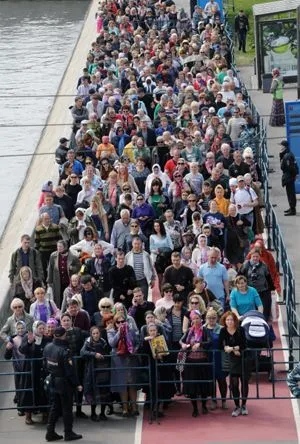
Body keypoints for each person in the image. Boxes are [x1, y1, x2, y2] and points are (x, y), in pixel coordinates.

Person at [43, 326, 83, 442]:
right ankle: (68, 433)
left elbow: (45, 364)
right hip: (64, 382)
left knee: (55, 407)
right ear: (64, 335)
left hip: (53, 380)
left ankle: (50, 432)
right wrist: (77, 384)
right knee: (67, 409)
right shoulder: (65, 350)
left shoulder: (48, 347)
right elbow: (69, 371)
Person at [107, 313, 140, 417]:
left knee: (132, 384)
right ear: (115, 323)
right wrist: (119, 332)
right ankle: (125, 409)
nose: (121, 323)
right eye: (118, 322)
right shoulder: (111, 331)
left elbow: (137, 342)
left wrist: (135, 349)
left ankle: (134, 407)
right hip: (118, 361)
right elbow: (112, 343)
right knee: (122, 384)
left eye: (123, 321)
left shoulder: (131, 331)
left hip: (130, 359)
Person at [19, 320, 51, 425]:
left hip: (43, 369)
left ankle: (45, 414)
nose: (41, 330)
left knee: (44, 390)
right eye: (39, 328)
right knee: (29, 390)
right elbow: (22, 350)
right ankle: (28, 415)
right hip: (31, 369)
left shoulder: (47, 339)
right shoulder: (28, 337)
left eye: (43, 328)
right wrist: (29, 342)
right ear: (35, 328)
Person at [179, 310, 210, 417]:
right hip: (191, 362)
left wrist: (200, 343)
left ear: (201, 319)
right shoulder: (189, 331)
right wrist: (183, 344)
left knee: (203, 386)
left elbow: (209, 342)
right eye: (194, 319)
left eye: (198, 318)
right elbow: (182, 340)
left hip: (203, 361)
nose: (196, 320)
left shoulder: (205, 330)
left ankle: (204, 405)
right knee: (192, 386)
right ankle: (195, 408)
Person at [219, 311, 250, 417]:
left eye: (231, 319)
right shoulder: (223, 331)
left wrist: (233, 348)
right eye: (227, 320)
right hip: (233, 360)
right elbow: (220, 345)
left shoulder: (240, 329)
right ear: (224, 321)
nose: (230, 322)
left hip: (243, 358)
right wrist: (228, 349)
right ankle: (237, 406)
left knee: (244, 382)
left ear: (235, 320)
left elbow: (244, 344)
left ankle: (244, 405)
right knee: (234, 383)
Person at [80, 326, 111, 421]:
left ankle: (102, 413)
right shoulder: (88, 342)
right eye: (94, 333)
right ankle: (93, 414)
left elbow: (108, 352)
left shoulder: (103, 342)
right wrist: (94, 354)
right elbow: (82, 352)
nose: (96, 335)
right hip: (92, 370)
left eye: (97, 333)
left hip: (104, 369)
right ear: (91, 334)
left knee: (104, 392)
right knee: (93, 391)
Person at [239, 248, 275, 321]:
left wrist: (272, 289)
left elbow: (268, 278)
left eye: (257, 256)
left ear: (259, 257)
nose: (255, 258)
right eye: (253, 256)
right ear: (251, 256)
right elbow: (239, 276)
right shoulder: (246, 264)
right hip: (249, 292)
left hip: (262, 291)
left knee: (263, 310)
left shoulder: (264, 265)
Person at [204, 309, 228, 410]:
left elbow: (226, 342)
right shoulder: (202, 329)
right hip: (207, 357)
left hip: (219, 357)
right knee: (211, 381)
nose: (211, 319)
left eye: (214, 317)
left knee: (222, 380)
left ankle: (224, 400)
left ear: (217, 318)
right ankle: (213, 400)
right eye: (209, 317)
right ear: (206, 318)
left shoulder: (222, 329)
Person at [47, 240, 81, 307]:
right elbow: (50, 268)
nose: (58, 248)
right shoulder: (53, 255)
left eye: (60, 246)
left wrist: (73, 268)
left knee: (68, 297)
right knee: (58, 297)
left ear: (65, 247)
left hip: (68, 281)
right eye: (58, 246)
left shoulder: (73, 256)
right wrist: (49, 281)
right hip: (57, 281)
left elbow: (79, 266)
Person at [4, 320, 27, 416]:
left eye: (22, 328)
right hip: (17, 367)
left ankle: (30, 408)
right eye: (18, 328)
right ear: (15, 329)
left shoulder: (29, 337)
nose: (20, 330)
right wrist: (8, 349)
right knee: (19, 387)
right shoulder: (12, 339)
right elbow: (7, 356)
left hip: (28, 366)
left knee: (28, 386)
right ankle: (20, 408)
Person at [34, 213, 61, 279]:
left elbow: (59, 239)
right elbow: (37, 241)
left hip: (53, 251)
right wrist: (37, 252)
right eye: (46, 219)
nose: (48, 220)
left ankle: (56, 279)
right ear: (42, 220)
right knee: (43, 267)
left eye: (49, 218)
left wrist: (59, 249)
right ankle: (45, 280)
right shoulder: (38, 229)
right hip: (43, 251)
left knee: (55, 266)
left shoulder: (55, 227)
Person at [279, 139, 298, 216]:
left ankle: (293, 210)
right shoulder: (286, 154)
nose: (280, 147)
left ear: (285, 147)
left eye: (281, 146)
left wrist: (294, 175)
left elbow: (291, 168)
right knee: (289, 193)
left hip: (289, 177)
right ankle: (291, 207)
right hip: (288, 176)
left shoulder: (288, 156)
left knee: (291, 194)